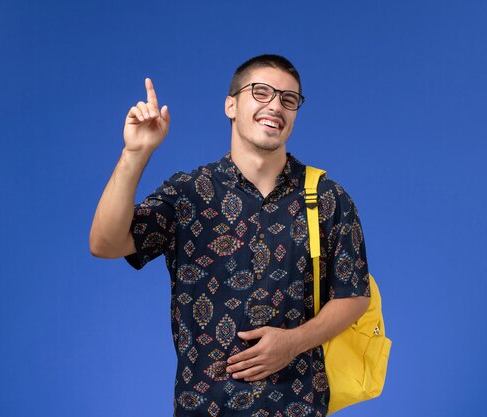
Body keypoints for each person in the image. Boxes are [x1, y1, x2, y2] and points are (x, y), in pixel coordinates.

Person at [90, 54, 371, 417]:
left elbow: (354, 294)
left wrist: (293, 342)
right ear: (231, 105)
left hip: (297, 407)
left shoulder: (328, 198)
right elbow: (105, 243)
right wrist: (135, 153)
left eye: (289, 99)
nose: (276, 106)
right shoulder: (189, 193)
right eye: (262, 92)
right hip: (203, 407)